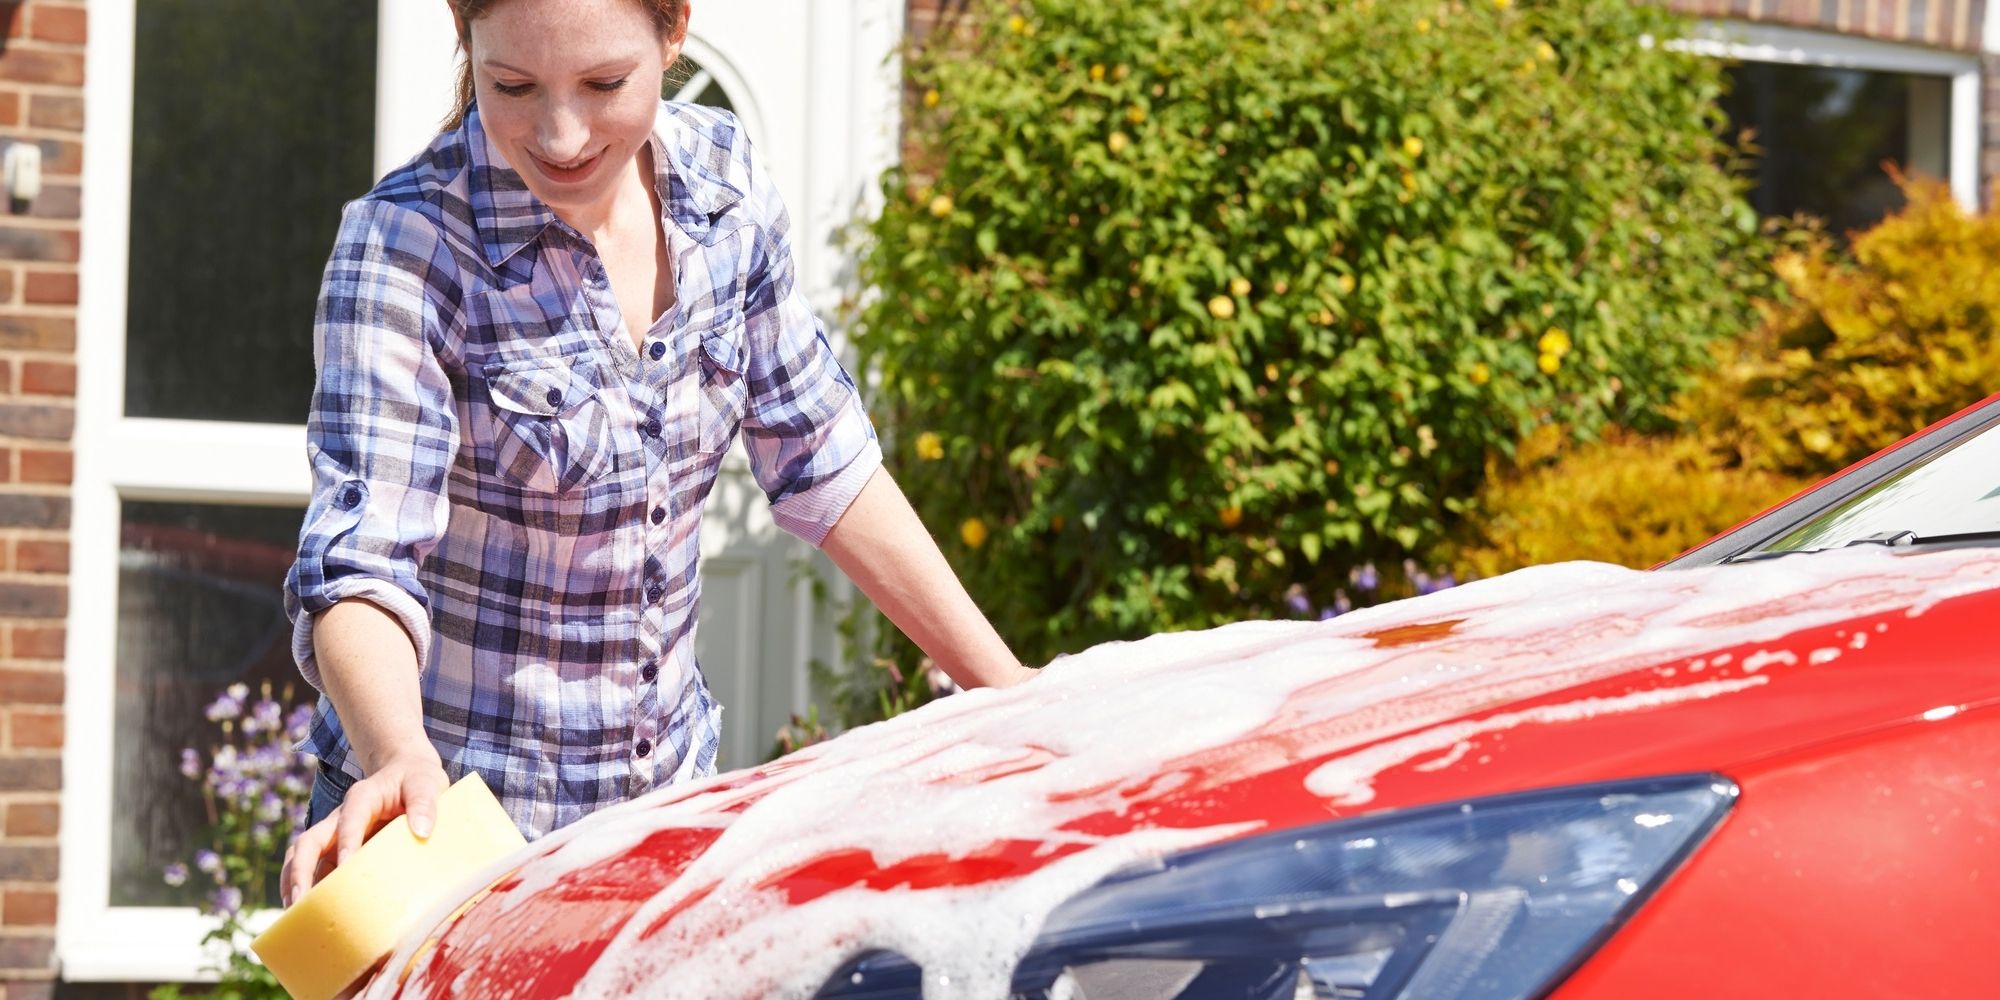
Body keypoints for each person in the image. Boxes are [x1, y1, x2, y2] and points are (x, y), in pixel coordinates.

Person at [279, 0, 1030, 906]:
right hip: (449, 832)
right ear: (461, 33)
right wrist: (397, 752)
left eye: (604, 85)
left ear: (674, 29)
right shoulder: (406, 247)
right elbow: (363, 564)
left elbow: (823, 454)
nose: (560, 136)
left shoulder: (722, 184)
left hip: (653, 827)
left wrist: (1011, 692)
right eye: (511, 85)